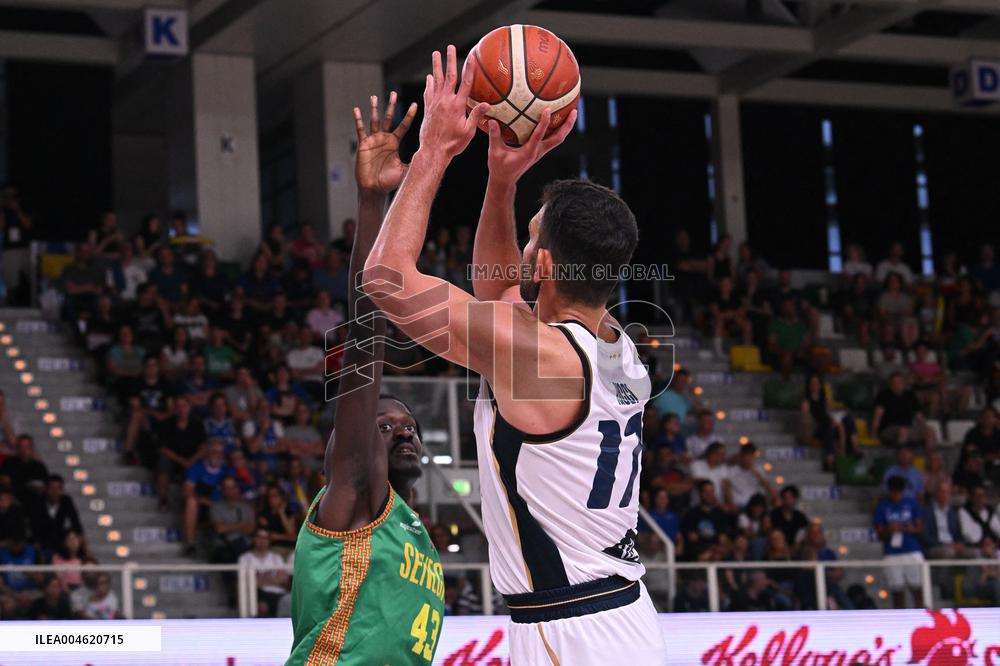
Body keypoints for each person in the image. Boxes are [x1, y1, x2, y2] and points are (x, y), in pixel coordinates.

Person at [363, 49, 664, 664]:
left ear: (547, 266)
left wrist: (434, 153)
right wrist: (501, 181)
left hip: (572, 631)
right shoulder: (619, 348)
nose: (519, 250)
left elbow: (387, 281)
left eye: (530, 239)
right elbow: (498, 293)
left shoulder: (539, 356)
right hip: (619, 617)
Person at [287, 92, 447, 665]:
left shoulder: (411, 531)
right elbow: (366, 325)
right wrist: (373, 200)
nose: (403, 431)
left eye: (408, 426)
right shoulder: (354, 496)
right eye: (383, 425)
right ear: (348, 444)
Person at [874, 475, 925, 609]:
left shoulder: (911, 503)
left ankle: (921, 616)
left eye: (899, 492)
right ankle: (901, 620)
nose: (896, 495)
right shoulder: (882, 506)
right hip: (892, 552)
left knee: (917, 588)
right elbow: (879, 533)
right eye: (894, 492)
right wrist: (888, 529)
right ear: (889, 491)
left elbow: (920, 528)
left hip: (911, 550)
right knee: (897, 591)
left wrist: (909, 528)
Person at [872, 372, 937, 450]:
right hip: (888, 429)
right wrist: (874, 433)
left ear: (904, 384)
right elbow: (877, 416)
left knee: (929, 432)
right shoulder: (883, 395)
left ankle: (932, 458)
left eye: (899, 382)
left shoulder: (910, 395)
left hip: (908, 428)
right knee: (903, 431)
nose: (897, 385)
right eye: (894, 383)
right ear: (890, 384)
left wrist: (924, 426)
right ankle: (902, 458)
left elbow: (919, 415)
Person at [239, 529, 290, 617]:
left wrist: (261, 579)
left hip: (278, 593)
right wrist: (274, 579)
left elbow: (284, 579)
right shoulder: (245, 558)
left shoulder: (276, 557)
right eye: (259, 537)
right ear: (254, 539)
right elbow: (248, 582)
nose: (262, 541)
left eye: (265, 538)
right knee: (262, 605)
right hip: (257, 594)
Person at [28, 474, 82, 553]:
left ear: (62, 490)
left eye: (58, 488)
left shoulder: (66, 501)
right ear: (46, 489)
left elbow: (75, 522)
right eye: (52, 488)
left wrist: (79, 538)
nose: (55, 492)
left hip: (60, 542)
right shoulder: (38, 502)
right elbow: (34, 525)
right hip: (42, 540)